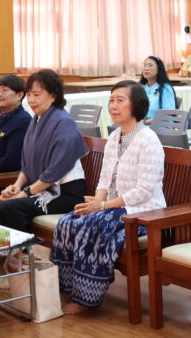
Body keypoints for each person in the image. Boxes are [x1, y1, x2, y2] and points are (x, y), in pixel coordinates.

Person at [53, 81, 166, 314]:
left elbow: (144, 190)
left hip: (143, 211)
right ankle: (65, 287)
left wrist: (102, 206)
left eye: (120, 100)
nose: (113, 106)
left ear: (136, 105)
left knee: (89, 226)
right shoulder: (114, 137)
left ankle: (85, 298)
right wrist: (96, 202)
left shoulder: (148, 140)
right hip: (114, 207)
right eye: (111, 100)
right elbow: (104, 179)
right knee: (67, 222)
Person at [0, 70, 88, 233]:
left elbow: (56, 170)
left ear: (53, 95)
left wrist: (25, 193)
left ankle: (19, 247)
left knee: (10, 207)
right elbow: (27, 163)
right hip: (44, 188)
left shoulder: (64, 122)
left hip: (66, 194)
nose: (31, 100)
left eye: (37, 94)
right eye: (28, 95)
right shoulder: (37, 119)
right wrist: (16, 186)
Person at [141, 55, 176, 124]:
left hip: (160, 126)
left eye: (150, 65)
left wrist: (144, 123)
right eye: (144, 65)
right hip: (142, 126)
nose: (146, 68)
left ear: (159, 69)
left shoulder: (165, 89)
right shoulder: (141, 88)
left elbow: (168, 114)